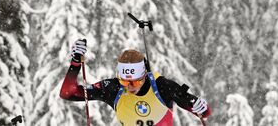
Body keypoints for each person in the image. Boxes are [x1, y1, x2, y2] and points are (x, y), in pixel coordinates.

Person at [60, 39, 211, 125]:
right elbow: (68, 93)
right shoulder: (113, 88)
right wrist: (75, 63)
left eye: (135, 82)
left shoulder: (162, 86)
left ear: (145, 75)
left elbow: (203, 112)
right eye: (125, 82)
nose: (129, 87)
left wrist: (200, 106)